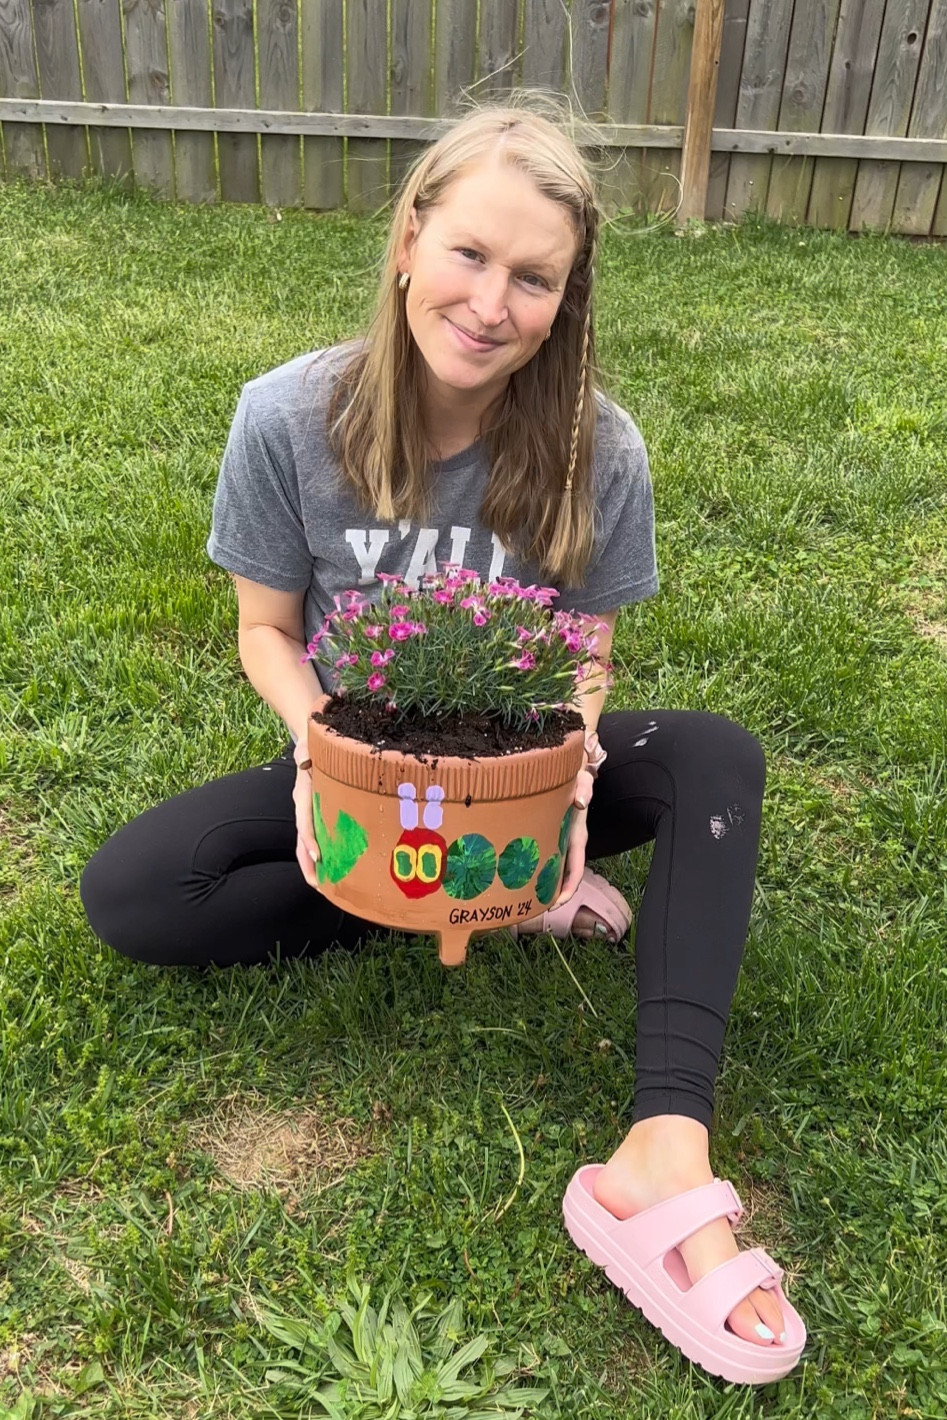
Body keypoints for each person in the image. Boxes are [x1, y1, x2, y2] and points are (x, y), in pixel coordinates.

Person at [80, 98, 805, 1384]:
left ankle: (662, 1143)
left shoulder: (595, 446)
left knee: (714, 759)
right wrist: (321, 748)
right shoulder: (286, 416)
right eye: (470, 252)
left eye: (533, 278)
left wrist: (567, 771)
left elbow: (582, 654)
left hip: (520, 765)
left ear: (565, 298)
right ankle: (470, 897)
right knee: (135, 892)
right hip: (358, 756)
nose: (490, 303)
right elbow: (266, 630)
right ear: (410, 237)